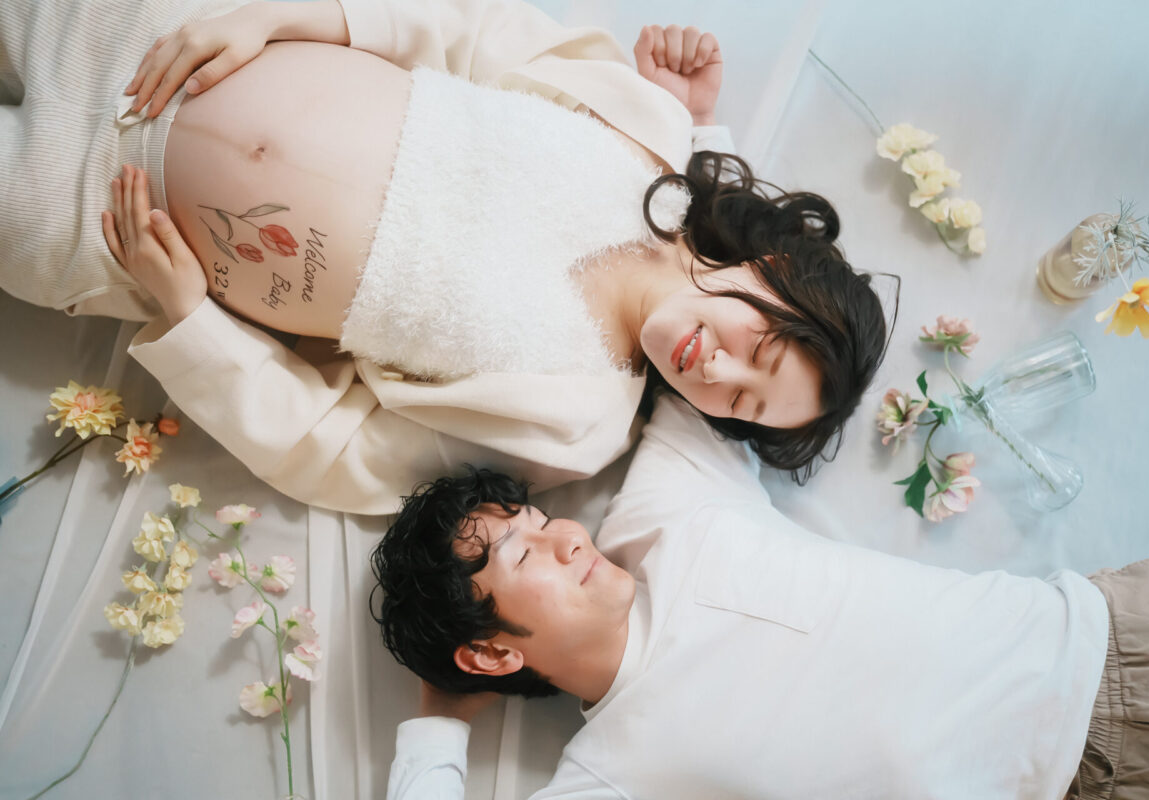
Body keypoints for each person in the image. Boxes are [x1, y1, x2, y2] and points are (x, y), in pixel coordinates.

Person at [2, 0, 889, 514]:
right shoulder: (648, 127)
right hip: (162, 33)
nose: (718, 371)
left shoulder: (576, 426)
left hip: (92, 223)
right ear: (774, 274)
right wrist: (270, 14)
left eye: (739, 403)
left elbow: (341, 453)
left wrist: (189, 316)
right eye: (759, 348)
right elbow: (460, 28)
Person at [370, 395, 1149, 799]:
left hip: (1124, 630)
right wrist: (439, 718)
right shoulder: (613, 775)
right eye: (526, 552)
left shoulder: (663, 517)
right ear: (491, 651)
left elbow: (696, 341)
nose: (567, 536)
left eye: (541, 518)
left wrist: (692, 134)